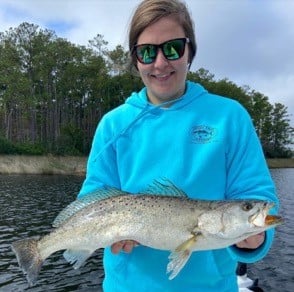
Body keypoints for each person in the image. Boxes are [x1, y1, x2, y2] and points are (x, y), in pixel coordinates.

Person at [78, 0, 278, 291]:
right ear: (135, 60)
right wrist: (104, 233)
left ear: (190, 51)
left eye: (172, 48)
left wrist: (255, 239)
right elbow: (94, 196)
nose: (160, 63)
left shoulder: (230, 117)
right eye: (147, 52)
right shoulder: (113, 124)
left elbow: (255, 193)